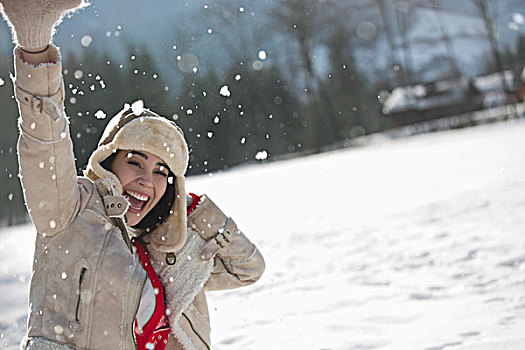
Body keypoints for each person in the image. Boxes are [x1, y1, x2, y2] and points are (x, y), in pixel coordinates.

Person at [0, 1, 265, 349]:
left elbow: (247, 268)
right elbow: (45, 139)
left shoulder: (168, 250)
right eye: (136, 163)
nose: (147, 181)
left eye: (161, 172)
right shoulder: (71, 214)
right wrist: (34, 46)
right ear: (108, 162)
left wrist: (197, 214)